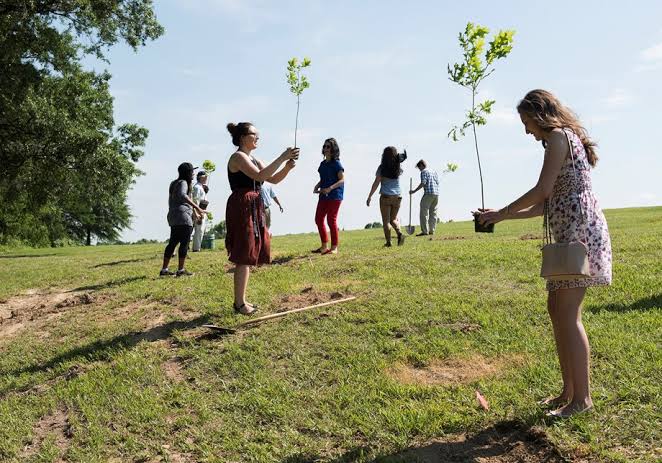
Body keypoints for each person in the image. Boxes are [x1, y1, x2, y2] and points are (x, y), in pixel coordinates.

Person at [477, 89, 612, 418]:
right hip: (569, 233)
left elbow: (542, 190)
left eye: (526, 122)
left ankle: (582, 400)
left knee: (568, 315)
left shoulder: (556, 137)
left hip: (578, 234)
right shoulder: (563, 138)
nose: (526, 131)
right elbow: (545, 204)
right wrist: (502, 215)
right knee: (557, 310)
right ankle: (568, 392)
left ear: (539, 115)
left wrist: (504, 210)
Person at [225, 122, 299, 315]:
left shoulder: (254, 159)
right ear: (242, 137)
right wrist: (283, 156)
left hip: (253, 205)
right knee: (243, 253)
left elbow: (272, 179)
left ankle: (241, 300)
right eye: (254, 134)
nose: (258, 138)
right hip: (242, 205)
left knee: (248, 254)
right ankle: (239, 304)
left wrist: (287, 167)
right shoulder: (238, 157)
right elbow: (259, 176)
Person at [160, 162, 207, 277]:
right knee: (184, 243)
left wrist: (195, 212)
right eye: (192, 171)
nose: (193, 174)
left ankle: (164, 270)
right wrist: (197, 208)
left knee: (172, 242)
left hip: (173, 215)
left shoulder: (174, 183)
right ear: (187, 172)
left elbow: (182, 198)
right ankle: (181, 270)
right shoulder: (184, 183)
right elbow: (183, 196)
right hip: (183, 216)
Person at [366, 147, 406, 247]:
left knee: (386, 221)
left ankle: (389, 242)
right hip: (398, 196)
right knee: (393, 219)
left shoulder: (382, 168)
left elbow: (376, 183)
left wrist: (370, 196)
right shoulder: (397, 167)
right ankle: (400, 233)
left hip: (386, 197)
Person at [312, 138, 345, 255]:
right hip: (323, 195)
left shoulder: (337, 163)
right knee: (318, 219)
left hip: (335, 195)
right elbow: (323, 179)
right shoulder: (322, 164)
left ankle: (334, 247)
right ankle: (324, 246)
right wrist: (317, 186)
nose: (325, 149)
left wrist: (330, 188)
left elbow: (342, 180)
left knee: (331, 220)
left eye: (328, 147)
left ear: (333, 149)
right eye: (324, 146)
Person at [409, 159, 440, 236]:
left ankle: (424, 231)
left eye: (419, 168)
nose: (419, 170)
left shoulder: (423, 172)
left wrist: (414, 191)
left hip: (428, 193)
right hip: (436, 194)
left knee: (424, 212)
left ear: (422, 165)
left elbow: (423, 183)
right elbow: (437, 183)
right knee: (433, 213)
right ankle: (432, 230)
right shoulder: (434, 172)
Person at [191, 170, 209, 252]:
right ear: (200, 178)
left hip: (202, 210)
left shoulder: (201, 187)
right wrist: (198, 213)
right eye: (204, 177)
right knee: (199, 229)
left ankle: (197, 247)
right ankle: (196, 249)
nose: (206, 178)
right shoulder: (197, 187)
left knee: (201, 230)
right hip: (199, 211)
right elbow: (196, 201)